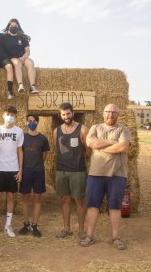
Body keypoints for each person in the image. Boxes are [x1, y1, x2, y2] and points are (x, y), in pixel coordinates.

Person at [80, 104, 130, 250]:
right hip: (96, 174)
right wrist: (112, 143)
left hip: (117, 174)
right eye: (108, 112)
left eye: (114, 112)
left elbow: (123, 147)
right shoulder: (95, 127)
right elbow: (90, 143)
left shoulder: (123, 129)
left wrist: (100, 146)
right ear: (103, 113)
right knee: (93, 206)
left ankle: (116, 238)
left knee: (114, 206)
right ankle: (89, 236)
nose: (111, 115)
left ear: (118, 115)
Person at [53, 102, 90, 240]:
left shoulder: (83, 129)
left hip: (78, 171)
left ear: (73, 113)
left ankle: (81, 230)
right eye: (63, 114)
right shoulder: (57, 131)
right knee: (65, 200)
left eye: (68, 113)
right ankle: (66, 229)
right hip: (61, 170)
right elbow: (57, 150)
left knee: (79, 200)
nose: (66, 116)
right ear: (60, 115)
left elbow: (88, 151)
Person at [0, 106, 24, 238]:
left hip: (13, 168)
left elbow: (20, 151)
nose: (10, 116)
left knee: (11, 196)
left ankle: (8, 225)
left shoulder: (19, 131)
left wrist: (20, 169)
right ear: (3, 115)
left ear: (16, 116)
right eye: (8, 114)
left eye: (13, 114)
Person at [18, 114, 49, 237]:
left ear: (38, 122)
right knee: (25, 198)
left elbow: (44, 155)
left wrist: (38, 165)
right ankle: (25, 224)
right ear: (26, 122)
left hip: (38, 171)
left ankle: (35, 225)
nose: (32, 122)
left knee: (37, 198)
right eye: (30, 120)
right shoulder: (22, 138)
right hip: (25, 171)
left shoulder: (43, 138)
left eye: (34, 120)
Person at [2, 18, 39, 94]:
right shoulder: (4, 37)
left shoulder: (22, 37)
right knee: (17, 63)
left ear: (18, 27)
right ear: (9, 26)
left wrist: (23, 58)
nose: (13, 27)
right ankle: (20, 85)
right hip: (12, 58)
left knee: (31, 63)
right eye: (12, 25)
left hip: (23, 57)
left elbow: (28, 51)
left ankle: (32, 86)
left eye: (15, 26)